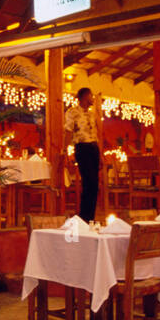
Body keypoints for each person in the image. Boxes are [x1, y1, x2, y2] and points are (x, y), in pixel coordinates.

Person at [64, 87, 101, 222]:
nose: (93, 99)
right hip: (82, 147)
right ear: (85, 97)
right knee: (87, 181)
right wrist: (65, 151)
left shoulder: (92, 115)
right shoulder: (72, 112)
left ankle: (91, 216)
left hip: (93, 148)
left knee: (95, 184)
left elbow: (97, 135)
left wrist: (100, 155)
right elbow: (68, 131)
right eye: (91, 96)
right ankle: (84, 216)